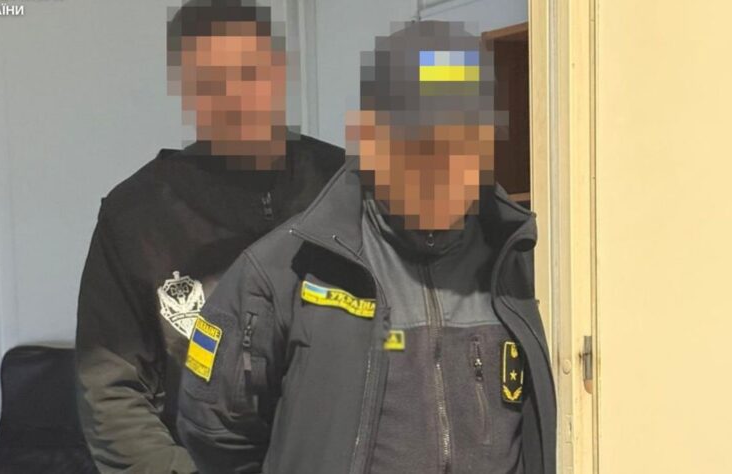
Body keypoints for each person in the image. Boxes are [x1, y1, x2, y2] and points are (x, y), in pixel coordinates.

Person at [177, 20, 556, 474]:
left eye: (466, 143)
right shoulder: (280, 273)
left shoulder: (518, 259)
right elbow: (215, 432)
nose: (448, 169)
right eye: (424, 144)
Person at [74, 1, 344, 472]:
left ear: (278, 71)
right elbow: (110, 390)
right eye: (211, 81)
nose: (235, 97)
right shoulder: (136, 216)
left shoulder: (347, 188)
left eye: (249, 72)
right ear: (186, 88)